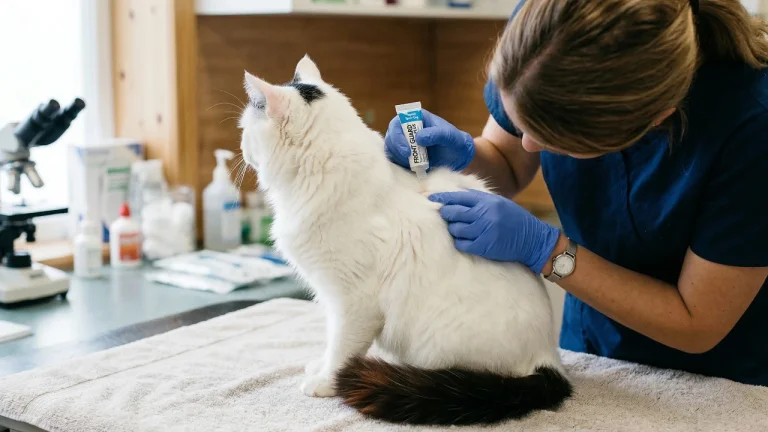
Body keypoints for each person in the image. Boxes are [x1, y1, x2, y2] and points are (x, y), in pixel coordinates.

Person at [385, 0, 768, 386]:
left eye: (555, 140)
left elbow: (696, 321)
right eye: (523, 124)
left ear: (656, 117)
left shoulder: (751, 127)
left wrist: (546, 251)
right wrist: (461, 155)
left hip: (717, 382)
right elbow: (507, 159)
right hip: (588, 352)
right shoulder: (546, 34)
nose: (530, 145)